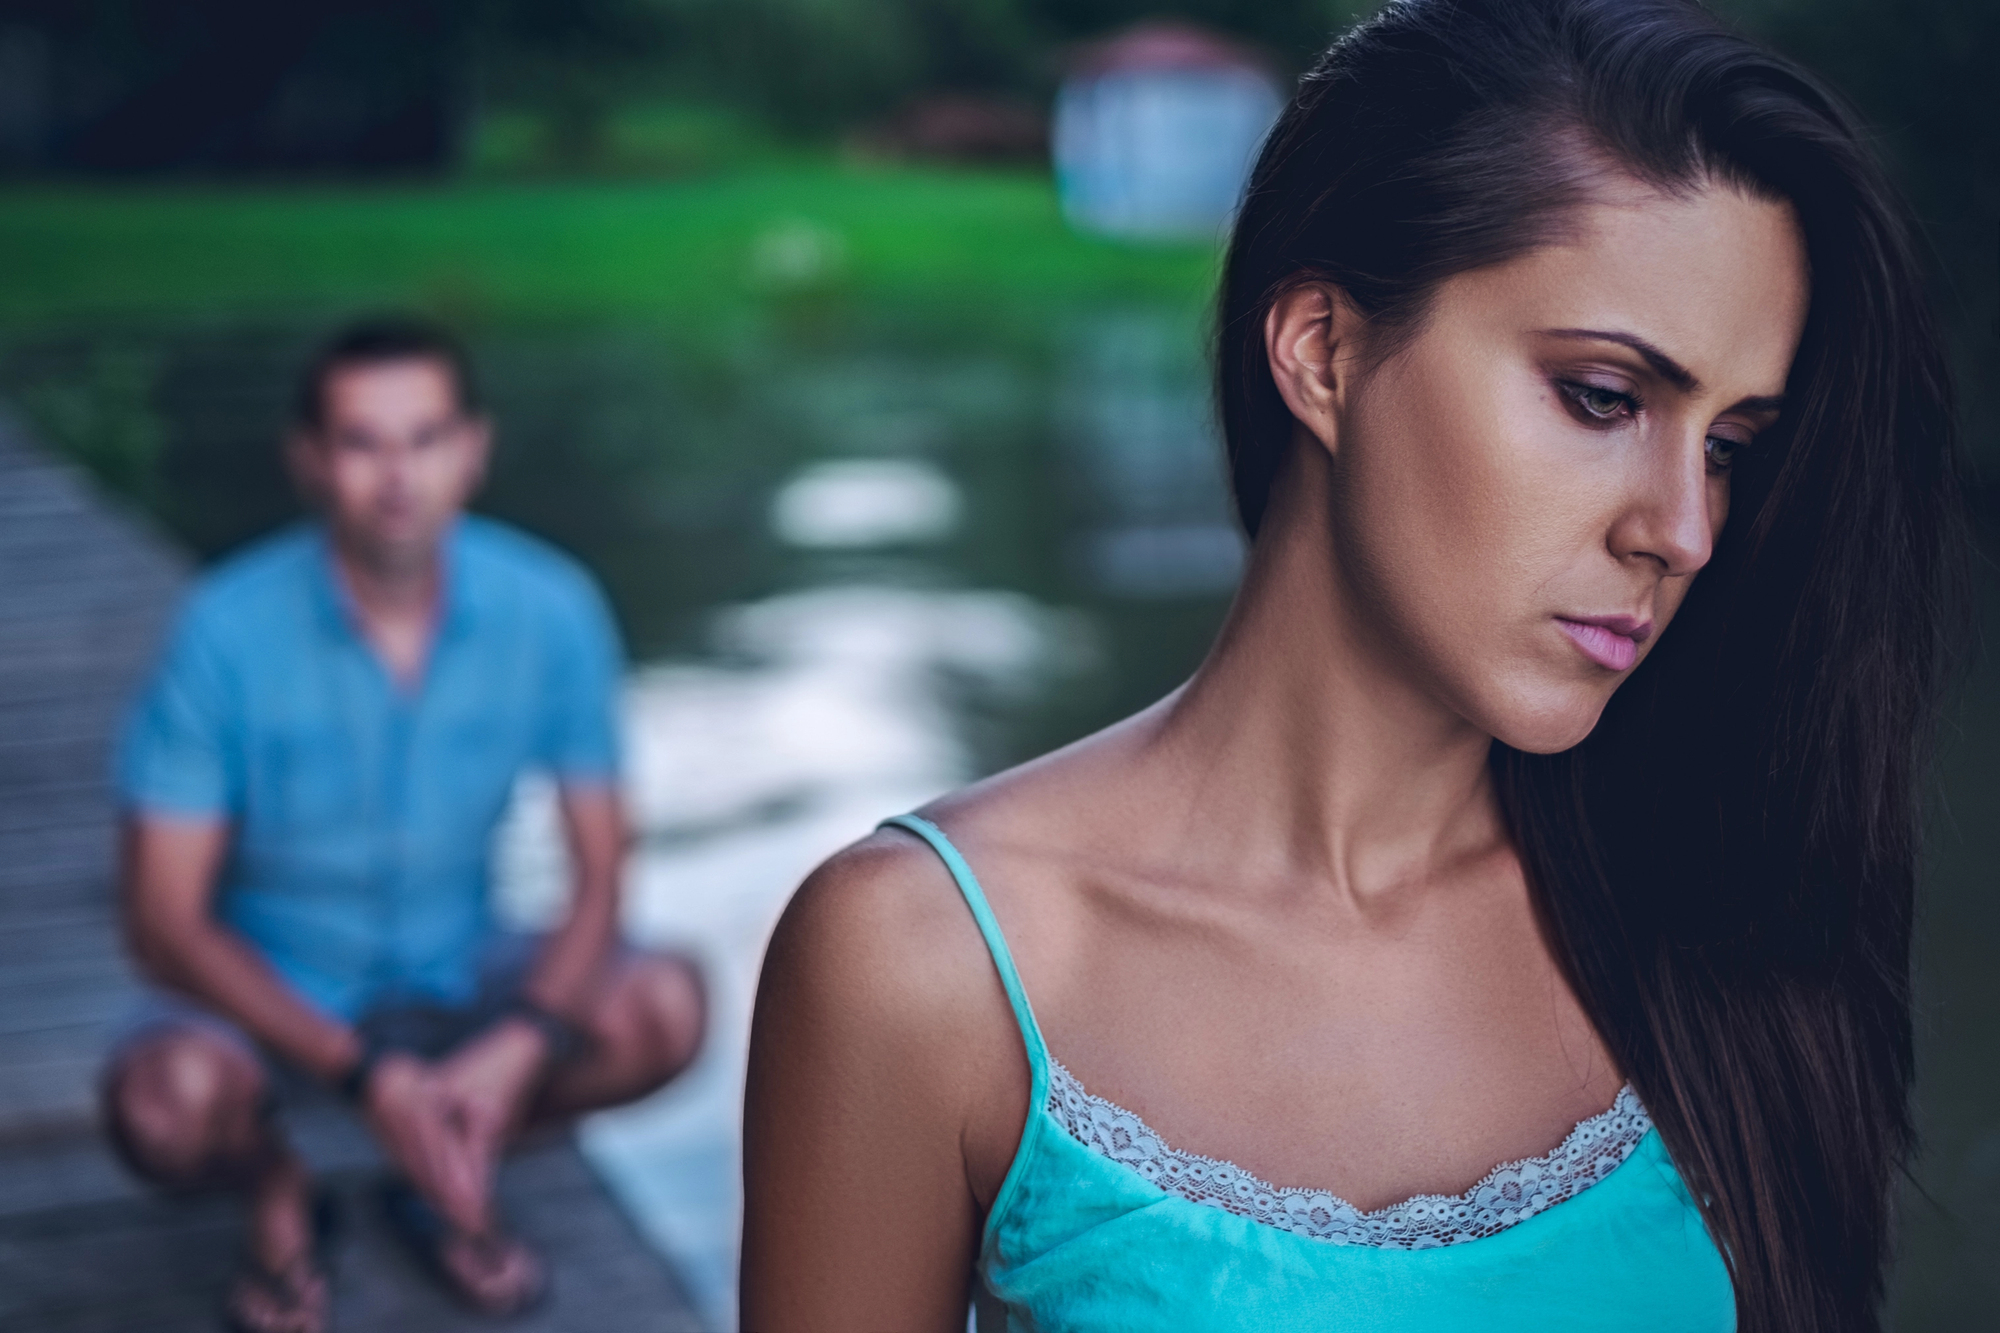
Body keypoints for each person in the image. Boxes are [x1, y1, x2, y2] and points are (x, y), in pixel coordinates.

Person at [741, 1, 1967, 1329]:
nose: (1681, 529)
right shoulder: (926, 969)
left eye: (1728, 445)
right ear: (1323, 350)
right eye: (1604, 398)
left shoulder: (1715, 887)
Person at [102, 318, 706, 1333]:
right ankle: (281, 1182)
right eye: (361, 442)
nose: (397, 477)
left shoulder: (550, 608)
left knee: (663, 1006)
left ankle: (449, 1157)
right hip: (275, 992)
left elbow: (599, 872)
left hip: (454, 967)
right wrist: (361, 1073)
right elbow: (163, 921)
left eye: (424, 438)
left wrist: (521, 1040)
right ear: (307, 459)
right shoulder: (223, 628)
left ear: (473, 449)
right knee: (162, 1104)